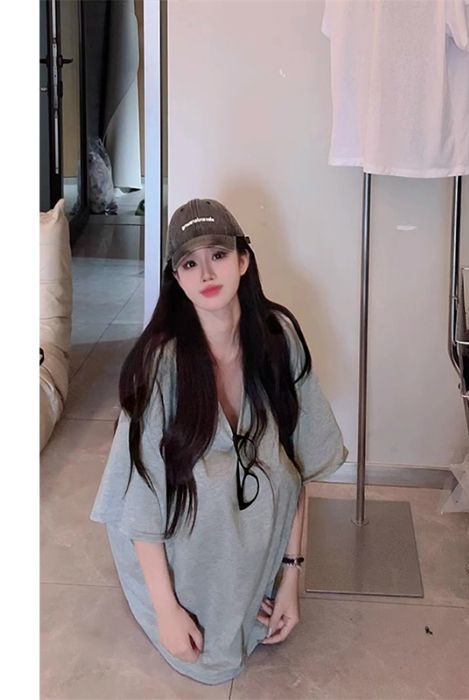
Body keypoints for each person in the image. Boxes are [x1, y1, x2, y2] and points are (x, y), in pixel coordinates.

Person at [90, 198, 348, 685]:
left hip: (241, 535)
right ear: (177, 278)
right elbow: (140, 502)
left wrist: (290, 579)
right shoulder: (161, 366)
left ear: (243, 260)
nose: (206, 272)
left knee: (271, 465)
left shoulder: (278, 339)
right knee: (211, 657)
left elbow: (297, 470)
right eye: (190, 263)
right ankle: (190, 592)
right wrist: (167, 611)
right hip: (173, 532)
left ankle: (246, 580)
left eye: (218, 254)